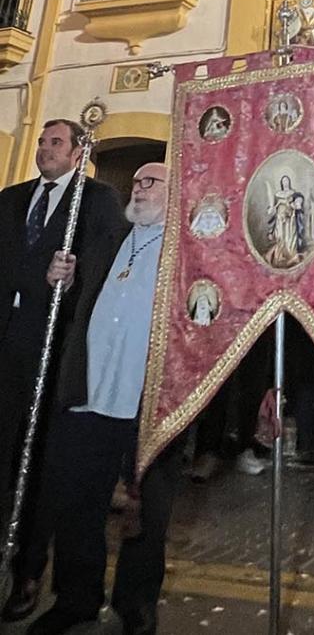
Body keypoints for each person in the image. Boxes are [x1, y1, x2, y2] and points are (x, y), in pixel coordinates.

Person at [27, 163, 182, 635]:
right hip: (90, 388)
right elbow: (76, 302)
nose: (139, 187)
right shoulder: (109, 240)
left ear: (174, 192)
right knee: (76, 499)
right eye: (136, 181)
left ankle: (136, 604)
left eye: (151, 181)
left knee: (146, 510)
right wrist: (65, 281)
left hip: (150, 395)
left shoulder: (185, 248)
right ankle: (75, 598)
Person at [0, 119, 125, 623]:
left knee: (39, 466)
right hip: (6, 344)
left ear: (77, 152)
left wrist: (73, 281)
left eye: (56, 142)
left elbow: (109, 264)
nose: (45, 149)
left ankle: (29, 569)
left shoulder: (96, 200)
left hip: (55, 350)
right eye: (42, 142)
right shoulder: (10, 199)